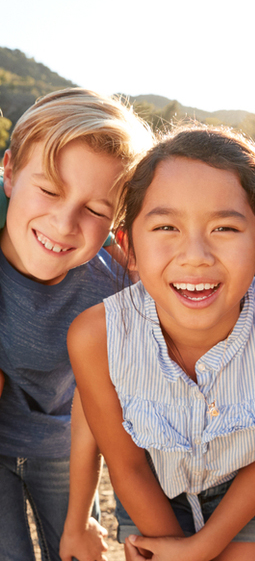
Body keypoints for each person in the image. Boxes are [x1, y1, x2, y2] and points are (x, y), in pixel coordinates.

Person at [69, 124, 255, 561]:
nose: (195, 255)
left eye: (225, 229)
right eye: (166, 226)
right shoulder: (96, 336)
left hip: (244, 488)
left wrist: (204, 546)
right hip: (152, 486)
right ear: (129, 245)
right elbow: (127, 464)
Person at [0, 88, 153, 561]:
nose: (64, 223)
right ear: (8, 172)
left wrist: (79, 521)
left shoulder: (111, 289)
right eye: (48, 189)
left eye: (95, 210)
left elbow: (98, 408)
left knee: (76, 550)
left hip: (64, 449)